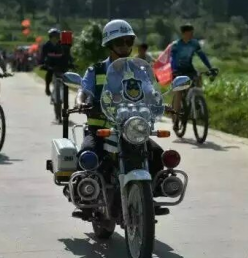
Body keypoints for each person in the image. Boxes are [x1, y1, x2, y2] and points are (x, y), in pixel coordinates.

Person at [75, 19, 166, 218]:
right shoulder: (96, 70)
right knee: (86, 156)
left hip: (132, 129)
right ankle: (86, 196)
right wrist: (82, 101)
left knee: (158, 154)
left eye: (128, 41)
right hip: (101, 130)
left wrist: (159, 101)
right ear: (109, 45)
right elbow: (84, 90)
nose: (125, 46)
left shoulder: (139, 70)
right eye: (119, 42)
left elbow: (150, 91)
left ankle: (150, 197)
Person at [170, 23, 216, 116]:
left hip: (189, 68)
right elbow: (172, 59)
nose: (192, 34)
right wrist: (174, 69)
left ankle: (197, 100)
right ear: (184, 33)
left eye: (192, 32)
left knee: (198, 78)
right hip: (178, 70)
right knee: (179, 92)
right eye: (190, 33)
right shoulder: (176, 45)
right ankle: (176, 116)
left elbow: (202, 56)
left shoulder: (194, 43)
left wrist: (210, 68)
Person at [40, 28, 74, 97]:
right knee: (49, 73)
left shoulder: (63, 46)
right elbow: (43, 56)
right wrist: (43, 64)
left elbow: (68, 55)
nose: (54, 39)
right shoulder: (46, 46)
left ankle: (65, 92)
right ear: (50, 37)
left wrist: (71, 63)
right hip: (51, 64)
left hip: (61, 64)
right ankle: (47, 87)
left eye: (56, 37)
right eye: (53, 37)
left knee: (65, 76)